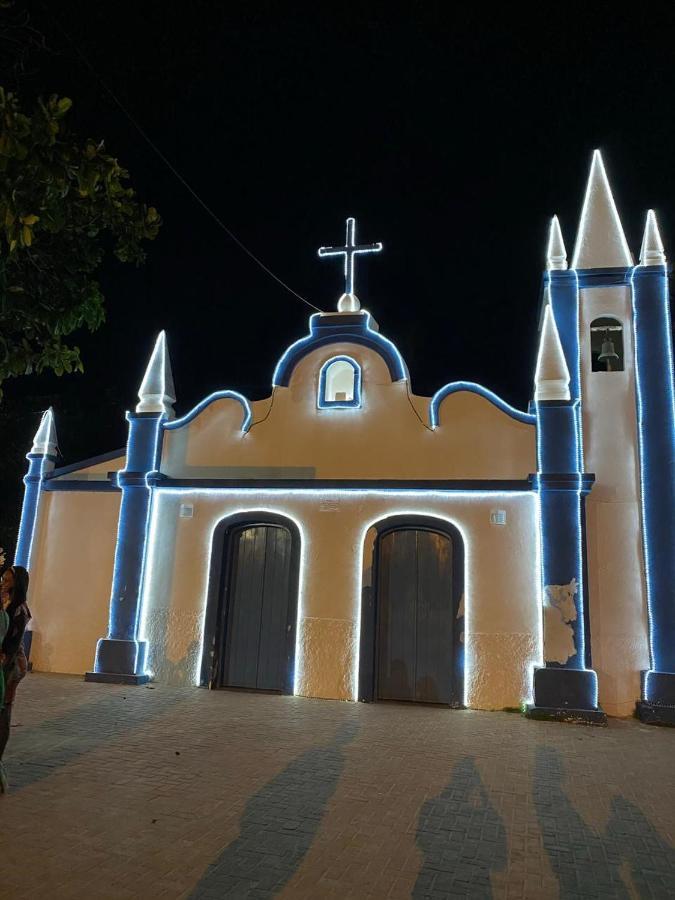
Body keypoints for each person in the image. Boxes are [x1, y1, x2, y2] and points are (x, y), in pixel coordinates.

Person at [0, 566, 30, 793]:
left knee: (4, 710)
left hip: (9, 666)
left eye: (8, 580)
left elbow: (12, 641)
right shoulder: (6, 604)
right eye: (3, 578)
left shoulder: (19, 609)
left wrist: (5, 658)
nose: (3, 582)